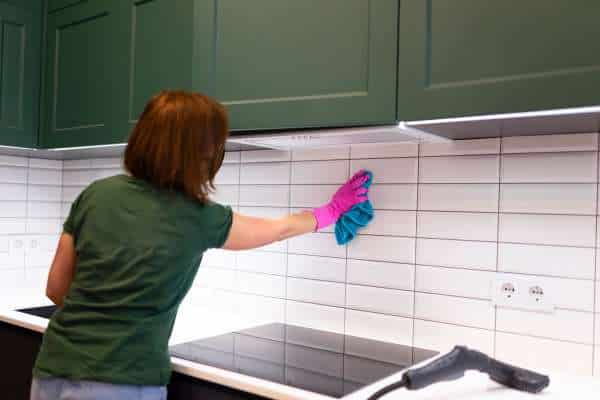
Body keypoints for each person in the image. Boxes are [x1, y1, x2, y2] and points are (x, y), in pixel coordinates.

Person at [30, 90, 369, 400]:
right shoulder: (196, 216)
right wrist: (332, 211)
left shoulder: (95, 194)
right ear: (200, 153)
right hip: (122, 381)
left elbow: (56, 287)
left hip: (51, 371)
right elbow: (275, 230)